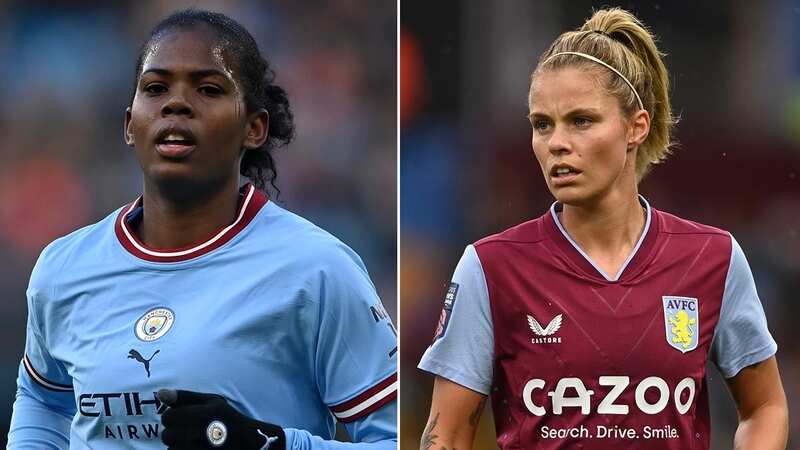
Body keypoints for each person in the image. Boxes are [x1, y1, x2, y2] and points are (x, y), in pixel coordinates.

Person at [8, 9, 397, 450]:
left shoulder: (317, 269)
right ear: (129, 124)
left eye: (209, 89)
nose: (175, 103)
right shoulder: (64, 268)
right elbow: (42, 400)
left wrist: (271, 446)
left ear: (254, 128)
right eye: (155, 88)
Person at [418, 7, 787, 450]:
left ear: (636, 127)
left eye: (581, 121)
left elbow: (765, 406)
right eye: (542, 124)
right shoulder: (491, 267)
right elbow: (448, 433)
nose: (556, 143)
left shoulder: (713, 258)